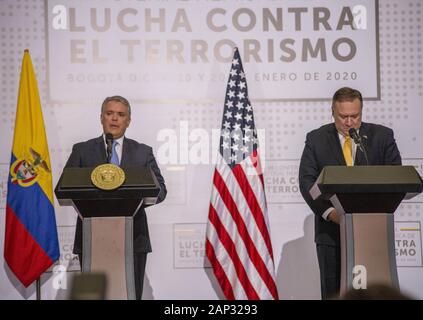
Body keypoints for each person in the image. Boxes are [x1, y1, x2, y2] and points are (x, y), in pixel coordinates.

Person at [298, 87, 402, 300]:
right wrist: (330, 213)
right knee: (333, 293)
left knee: (375, 292)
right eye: (343, 116)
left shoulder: (382, 136)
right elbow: (307, 182)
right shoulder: (316, 139)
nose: (349, 122)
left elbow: (396, 177)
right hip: (331, 232)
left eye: (355, 116)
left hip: (373, 232)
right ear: (332, 112)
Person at [63, 95, 167, 300]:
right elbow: (66, 187)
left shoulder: (143, 152)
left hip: (133, 236)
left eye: (121, 114)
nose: (114, 119)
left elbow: (161, 190)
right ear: (101, 117)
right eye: (109, 113)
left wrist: (131, 203)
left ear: (128, 120)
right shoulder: (82, 150)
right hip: (91, 236)